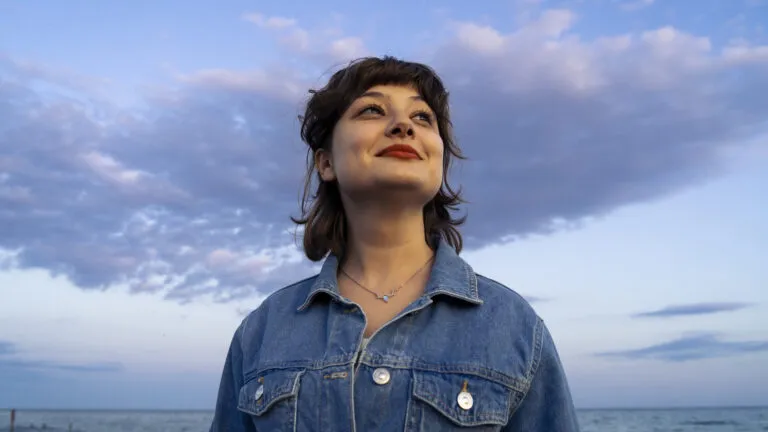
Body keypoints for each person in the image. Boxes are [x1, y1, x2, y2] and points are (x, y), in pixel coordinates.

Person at [209, 56, 580, 431]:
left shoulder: (514, 327)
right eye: (372, 110)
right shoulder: (262, 331)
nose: (403, 125)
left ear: (439, 160)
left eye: (422, 118)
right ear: (326, 163)